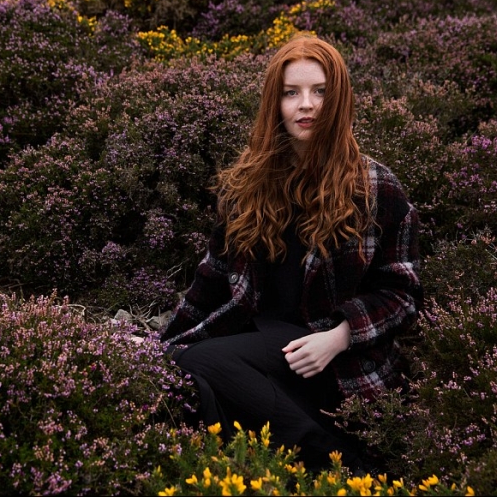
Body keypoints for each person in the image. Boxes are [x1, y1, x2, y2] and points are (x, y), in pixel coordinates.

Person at [159, 34, 423, 475]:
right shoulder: (247, 184)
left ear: (338, 100)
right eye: (291, 93)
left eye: (320, 91)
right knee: (185, 376)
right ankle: (288, 466)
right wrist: (158, 346)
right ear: (273, 103)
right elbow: (210, 280)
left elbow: (404, 294)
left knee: (200, 363)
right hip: (262, 351)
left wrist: (338, 336)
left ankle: (337, 460)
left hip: (336, 366)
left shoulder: (376, 187)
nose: (307, 105)